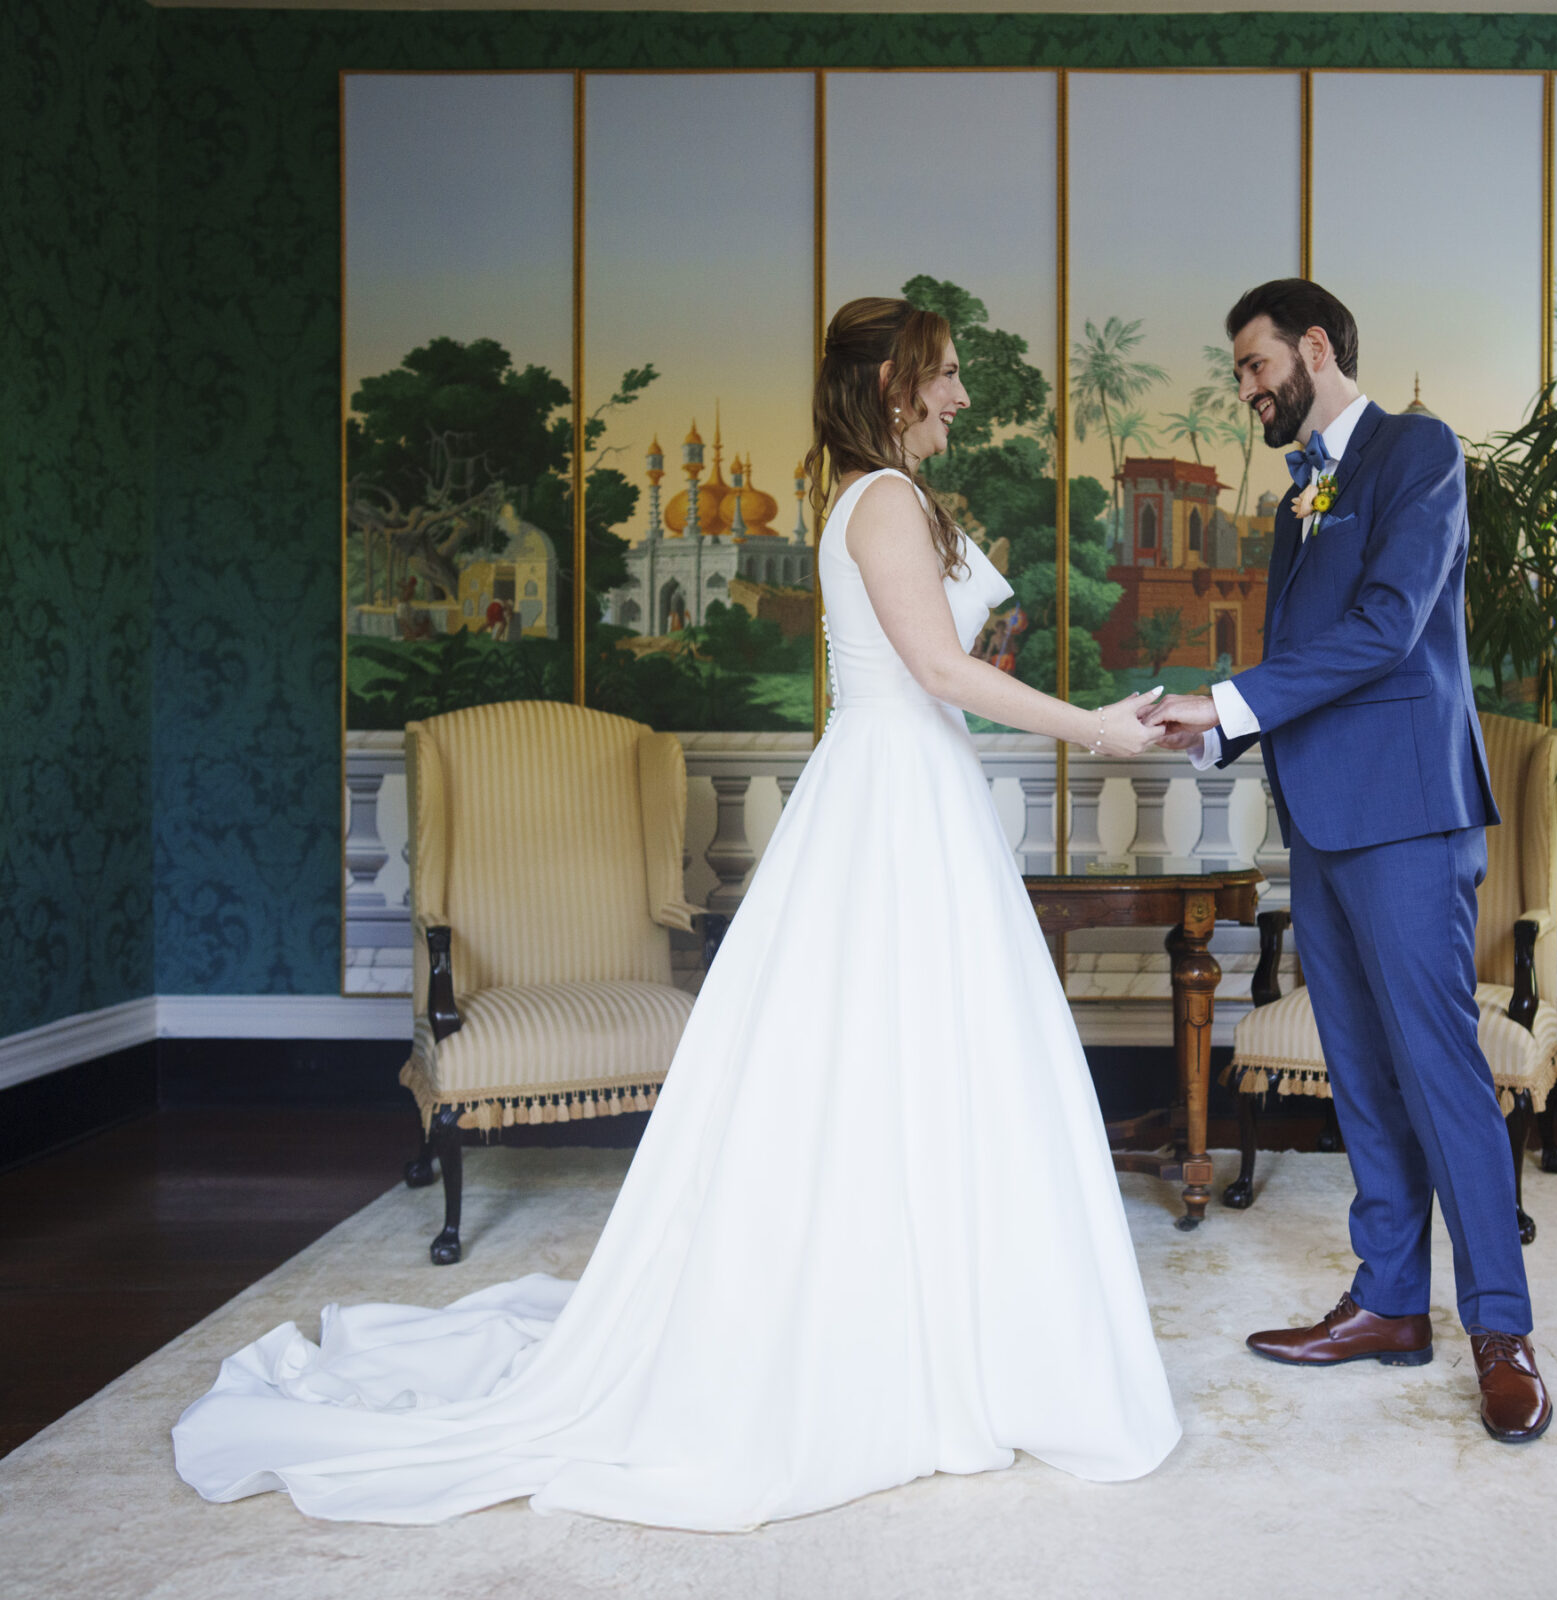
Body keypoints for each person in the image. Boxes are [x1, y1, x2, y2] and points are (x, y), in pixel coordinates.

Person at [171, 297, 1181, 1530]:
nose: (963, 396)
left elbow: (948, 655)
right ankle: (921, 1331)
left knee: (914, 1055)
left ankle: (928, 1314)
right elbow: (935, 672)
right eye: (946, 375)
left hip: (911, 786)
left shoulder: (877, 502)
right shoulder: (883, 502)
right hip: (899, 789)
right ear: (888, 382)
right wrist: (1100, 727)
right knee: (918, 1052)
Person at [1145, 279, 1553, 1444]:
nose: (1246, 389)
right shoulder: (1292, 503)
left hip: (1412, 813)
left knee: (1440, 1073)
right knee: (1363, 1072)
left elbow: (1386, 629)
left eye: (1254, 365)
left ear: (1315, 347)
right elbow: (1304, 662)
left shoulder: (1417, 452)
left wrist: (1222, 701)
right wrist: (1215, 726)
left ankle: (1502, 1330)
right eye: (1240, 373)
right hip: (1321, 819)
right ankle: (1386, 1303)